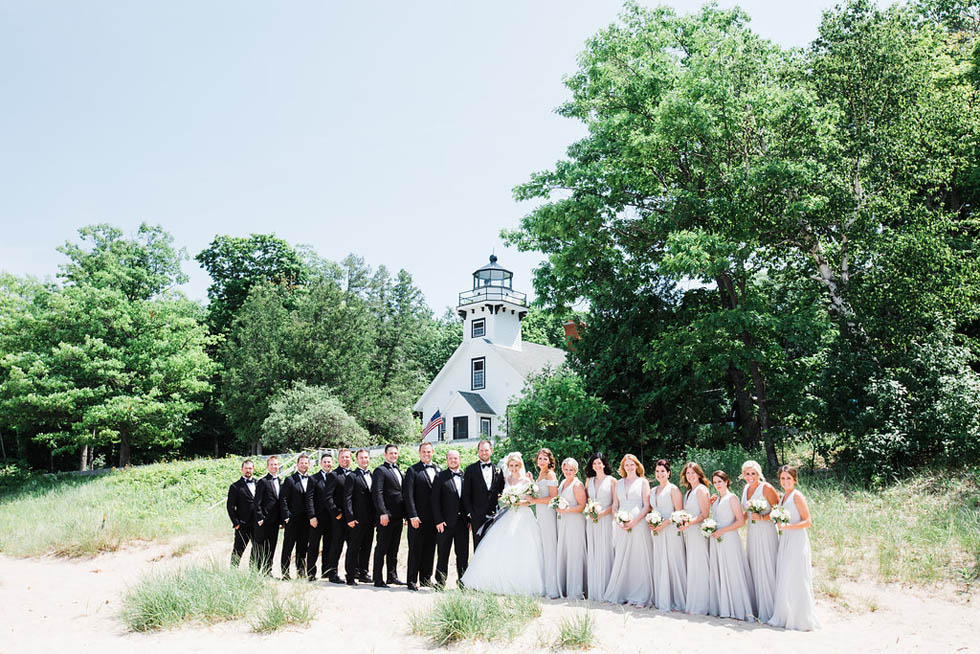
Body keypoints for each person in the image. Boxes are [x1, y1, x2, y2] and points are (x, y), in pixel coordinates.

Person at [460, 452, 545, 595]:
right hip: (507, 515)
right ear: (508, 466)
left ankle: (521, 584)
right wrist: (507, 501)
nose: (514, 468)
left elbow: (531, 501)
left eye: (516, 465)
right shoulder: (506, 480)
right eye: (511, 465)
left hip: (523, 517)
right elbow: (498, 494)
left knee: (523, 549)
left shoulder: (526, 481)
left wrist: (516, 502)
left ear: (521, 465)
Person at [768, 465, 819, 631]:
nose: (785, 481)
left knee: (797, 575)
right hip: (785, 540)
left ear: (794, 479)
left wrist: (787, 526)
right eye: (782, 478)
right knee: (786, 575)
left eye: (788, 478)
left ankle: (802, 619)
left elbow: (808, 521)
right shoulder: (783, 497)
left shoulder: (797, 496)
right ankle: (786, 615)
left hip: (796, 540)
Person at [602, 454, 654, 607]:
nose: (629, 467)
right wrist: (617, 518)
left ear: (637, 466)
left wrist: (635, 521)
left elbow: (647, 505)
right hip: (622, 524)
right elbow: (615, 505)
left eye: (632, 464)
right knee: (624, 556)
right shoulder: (618, 483)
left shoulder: (643, 482)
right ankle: (626, 593)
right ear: (623, 467)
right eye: (626, 465)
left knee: (639, 557)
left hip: (638, 523)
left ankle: (640, 595)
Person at [707, 470, 755, 621]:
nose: (717, 485)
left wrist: (723, 530)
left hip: (729, 538)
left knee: (732, 570)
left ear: (726, 481)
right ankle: (724, 606)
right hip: (717, 539)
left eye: (720, 481)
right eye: (714, 482)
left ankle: (738, 608)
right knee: (721, 570)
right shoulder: (717, 499)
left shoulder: (732, 498)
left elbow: (741, 521)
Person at [740, 459, 779, 622]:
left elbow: (780, 511)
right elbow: (744, 513)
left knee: (767, 566)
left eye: (753, 473)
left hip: (766, 531)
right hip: (752, 532)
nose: (750, 477)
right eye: (747, 474)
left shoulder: (766, 487)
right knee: (755, 565)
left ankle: (771, 608)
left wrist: (763, 516)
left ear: (759, 474)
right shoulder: (746, 489)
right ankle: (758, 607)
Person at [650, 458, 686, 612]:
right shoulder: (652, 491)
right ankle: (663, 598)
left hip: (671, 529)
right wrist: (651, 522)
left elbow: (679, 512)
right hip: (657, 531)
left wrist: (663, 524)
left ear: (669, 473)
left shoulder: (673, 489)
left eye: (663, 471)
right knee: (660, 561)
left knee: (673, 561)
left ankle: (679, 600)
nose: (660, 474)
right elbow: (652, 510)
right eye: (657, 471)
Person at [404, 442, 440, 591]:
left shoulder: (438, 469)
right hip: (417, 518)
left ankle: (426, 579)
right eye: (424, 452)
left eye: (429, 452)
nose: (426, 454)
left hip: (434, 519)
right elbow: (408, 494)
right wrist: (412, 515)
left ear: (433, 453)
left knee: (430, 549)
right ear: (419, 453)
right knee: (415, 549)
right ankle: (411, 580)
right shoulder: (412, 470)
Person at [431, 449, 469, 588]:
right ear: (447, 460)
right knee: (443, 554)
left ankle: (463, 581)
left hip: (462, 524)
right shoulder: (440, 477)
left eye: (456, 458)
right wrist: (439, 520)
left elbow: (467, 500)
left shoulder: (465, 476)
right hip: (445, 523)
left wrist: (469, 520)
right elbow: (435, 501)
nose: (453, 461)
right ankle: (440, 582)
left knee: (463, 554)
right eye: (451, 458)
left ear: (459, 459)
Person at [679, 461, 711, 615]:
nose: (690, 475)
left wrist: (690, 523)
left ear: (699, 474)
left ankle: (701, 604)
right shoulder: (689, 492)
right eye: (688, 473)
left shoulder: (701, 490)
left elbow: (705, 514)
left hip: (698, 531)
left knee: (700, 564)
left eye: (693, 473)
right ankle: (693, 602)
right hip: (690, 531)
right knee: (692, 564)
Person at [372, 444, 405, 587]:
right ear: (385, 455)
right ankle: (378, 578)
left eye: (395, 453)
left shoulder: (398, 470)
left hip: (398, 517)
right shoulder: (380, 470)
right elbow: (377, 493)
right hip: (386, 516)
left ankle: (392, 576)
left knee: (394, 548)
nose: (393, 455)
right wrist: (382, 512)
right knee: (382, 548)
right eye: (391, 453)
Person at [529, 447, 560, 599]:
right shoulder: (540, 473)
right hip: (540, 513)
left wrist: (535, 501)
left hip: (548, 513)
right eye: (540, 458)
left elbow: (553, 498)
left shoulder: (550, 474)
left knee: (550, 548)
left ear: (550, 460)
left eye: (545, 459)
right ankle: (545, 584)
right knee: (543, 548)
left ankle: (553, 589)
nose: (542, 461)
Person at [584, 452, 616, 601]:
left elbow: (616, 504)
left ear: (604, 464)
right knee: (594, 551)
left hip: (606, 519)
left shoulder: (612, 481)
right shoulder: (589, 481)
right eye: (594, 463)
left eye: (599, 463)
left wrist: (603, 513)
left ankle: (607, 589)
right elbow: (586, 500)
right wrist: (590, 510)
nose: (597, 465)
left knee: (606, 550)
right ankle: (595, 591)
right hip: (592, 520)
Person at [555, 457, 588, 600]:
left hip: (574, 521)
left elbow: (582, 506)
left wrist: (566, 510)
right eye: (566, 469)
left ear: (575, 470)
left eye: (571, 470)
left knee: (575, 552)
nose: (568, 472)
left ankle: (576, 590)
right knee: (566, 552)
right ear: (562, 469)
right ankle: (565, 586)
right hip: (564, 522)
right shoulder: (562, 482)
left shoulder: (577, 484)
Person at [462, 439, 504, 549]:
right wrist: (470, 513)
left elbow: (502, 490)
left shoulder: (498, 470)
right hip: (477, 516)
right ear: (478, 452)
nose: (484, 453)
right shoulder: (470, 470)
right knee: (478, 545)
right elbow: (465, 494)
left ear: (491, 451)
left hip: (494, 515)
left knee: (494, 545)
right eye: (481, 450)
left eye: (486, 450)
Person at [344, 448, 375, 585]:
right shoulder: (352, 476)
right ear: (357, 460)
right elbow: (347, 498)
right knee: (354, 547)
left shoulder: (372, 475)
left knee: (367, 547)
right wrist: (350, 517)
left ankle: (363, 573)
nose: (364, 460)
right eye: (362, 458)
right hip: (356, 519)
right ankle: (350, 575)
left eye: (366, 457)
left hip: (370, 519)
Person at [325, 448, 353, 583]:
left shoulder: (354, 474)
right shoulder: (333, 475)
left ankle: (352, 573)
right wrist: (337, 513)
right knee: (337, 546)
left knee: (352, 546)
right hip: (339, 518)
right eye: (343, 457)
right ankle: (332, 574)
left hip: (352, 518)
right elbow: (328, 497)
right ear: (338, 459)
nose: (345, 459)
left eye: (347, 457)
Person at [305, 453, 335, 581]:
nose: (327, 464)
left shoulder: (334, 477)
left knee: (328, 545)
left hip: (331, 519)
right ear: (321, 463)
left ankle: (326, 571)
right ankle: (311, 573)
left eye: (329, 462)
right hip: (317, 518)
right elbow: (309, 498)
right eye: (325, 462)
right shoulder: (313, 478)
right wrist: (312, 516)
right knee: (313, 546)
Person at [253, 455, 284, 576]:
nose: (274, 467)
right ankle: (256, 571)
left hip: (275, 521)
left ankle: (268, 571)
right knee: (261, 547)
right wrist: (260, 517)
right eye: (271, 464)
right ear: (267, 466)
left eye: (276, 464)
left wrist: (282, 520)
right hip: (264, 520)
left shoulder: (281, 481)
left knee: (272, 546)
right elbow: (257, 502)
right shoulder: (262, 481)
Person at [227, 458, 258, 568]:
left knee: (256, 550)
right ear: (242, 469)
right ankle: (233, 572)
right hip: (242, 524)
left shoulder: (258, 483)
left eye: (250, 468)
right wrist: (236, 523)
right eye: (246, 468)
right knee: (238, 550)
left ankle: (252, 571)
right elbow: (230, 507)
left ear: (253, 469)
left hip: (257, 524)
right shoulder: (235, 486)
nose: (248, 470)